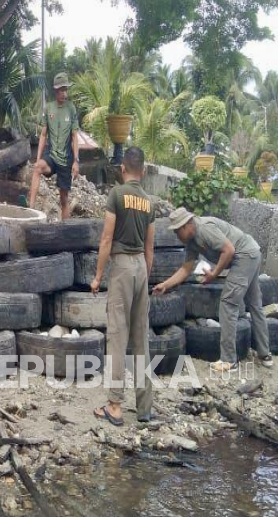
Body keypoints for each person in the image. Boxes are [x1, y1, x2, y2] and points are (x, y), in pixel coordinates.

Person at [153, 208, 272, 371]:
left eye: (177, 231)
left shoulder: (204, 229)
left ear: (187, 225)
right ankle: (265, 354)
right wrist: (165, 285)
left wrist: (214, 274)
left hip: (244, 256)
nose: (176, 236)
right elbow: (186, 269)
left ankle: (229, 360)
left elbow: (229, 250)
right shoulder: (192, 241)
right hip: (252, 253)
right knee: (254, 304)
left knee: (228, 303)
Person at [90, 147, 155, 426]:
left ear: (123, 169)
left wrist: (97, 276)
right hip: (141, 266)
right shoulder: (148, 202)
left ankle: (115, 405)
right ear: (142, 170)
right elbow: (150, 247)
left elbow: (106, 239)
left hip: (122, 266)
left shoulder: (117, 194)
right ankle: (145, 409)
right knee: (141, 338)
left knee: (117, 335)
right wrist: (145, 278)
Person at [28, 72, 80, 217]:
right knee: (38, 168)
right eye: (61, 90)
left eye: (66, 89)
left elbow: (75, 136)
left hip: (66, 159)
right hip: (51, 155)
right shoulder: (49, 108)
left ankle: (66, 230)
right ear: (56, 91)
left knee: (63, 199)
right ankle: (30, 208)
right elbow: (44, 134)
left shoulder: (71, 108)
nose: (64, 93)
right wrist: (38, 157)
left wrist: (76, 161)